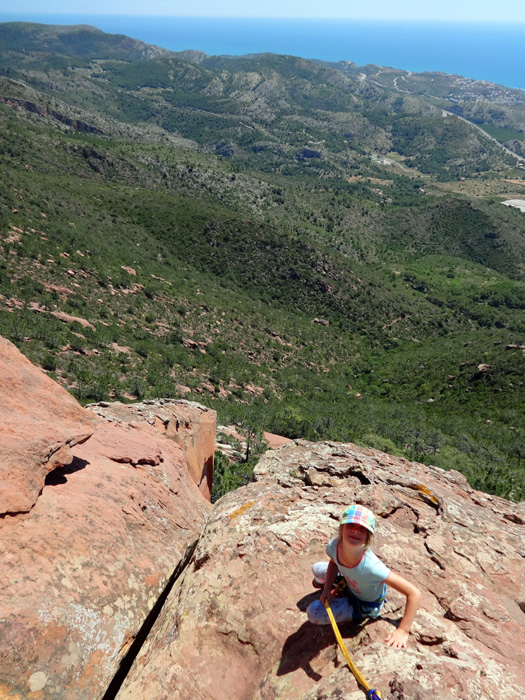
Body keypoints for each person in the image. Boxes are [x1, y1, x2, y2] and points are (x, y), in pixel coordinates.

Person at [306, 504, 420, 648]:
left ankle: (349, 601)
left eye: (362, 528)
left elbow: (414, 593)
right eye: (351, 525)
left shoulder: (372, 567)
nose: (355, 531)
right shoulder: (334, 546)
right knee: (316, 568)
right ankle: (332, 586)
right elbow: (334, 563)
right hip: (349, 581)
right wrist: (327, 589)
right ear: (341, 529)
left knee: (313, 612)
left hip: (364, 603)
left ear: (368, 537)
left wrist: (403, 630)